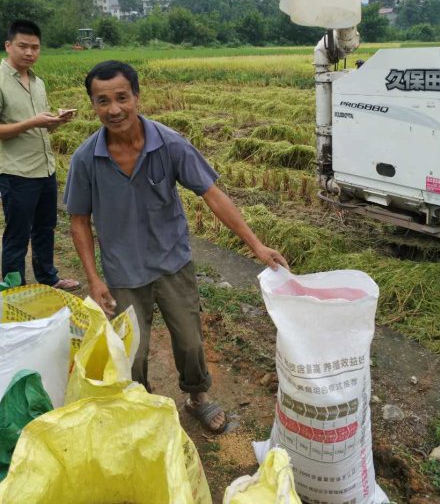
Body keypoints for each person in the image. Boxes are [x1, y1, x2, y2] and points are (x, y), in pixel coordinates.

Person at [64, 60, 288, 433]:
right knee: (131, 353)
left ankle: (197, 396)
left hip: (172, 263)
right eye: (102, 101)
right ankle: (140, 403)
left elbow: (212, 194)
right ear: (93, 105)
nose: (114, 109)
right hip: (123, 271)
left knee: (189, 342)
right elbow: (79, 221)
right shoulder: (86, 159)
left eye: (122, 97)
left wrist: (256, 245)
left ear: (136, 96)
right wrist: (93, 278)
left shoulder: (169, 144)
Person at [0, 19, 79, 290]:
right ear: (8, 45)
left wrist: (55, 122)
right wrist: (33, 122)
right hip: (16, 171)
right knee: (17, 235)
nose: (29, 52)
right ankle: (14, 289)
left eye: (35, 47)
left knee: (46, 228)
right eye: (23, 46)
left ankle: (48, 277)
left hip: (45, 168)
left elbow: (40, 126)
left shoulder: (38, 82)